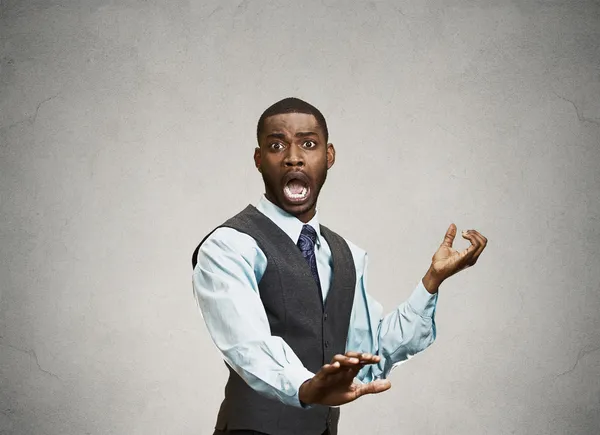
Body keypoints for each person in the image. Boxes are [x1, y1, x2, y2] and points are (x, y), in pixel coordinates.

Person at [192, 97, 488, 435]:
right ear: (259, 160)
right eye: (276, 145)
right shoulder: (229, 245)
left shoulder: (344, 253)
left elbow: (371, 351)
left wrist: (432, 282)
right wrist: (304, 387)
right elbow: (246, 344)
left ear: (328, 156)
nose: (293, 157)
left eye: (308, 144)